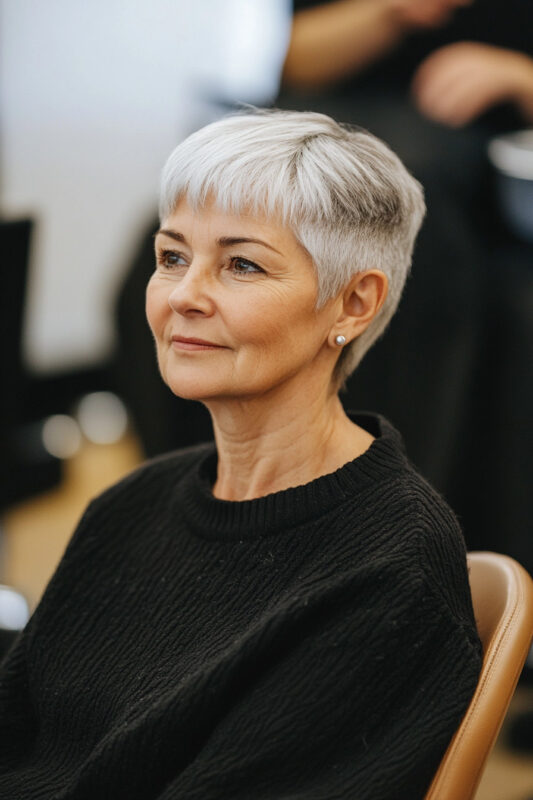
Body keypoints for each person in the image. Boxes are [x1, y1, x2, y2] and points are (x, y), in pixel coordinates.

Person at [0, 110, 482, 800]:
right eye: (171, 257)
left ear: (351, 304)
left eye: (241, 264)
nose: (184, 296)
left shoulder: (388, 572)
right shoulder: (132, 504)